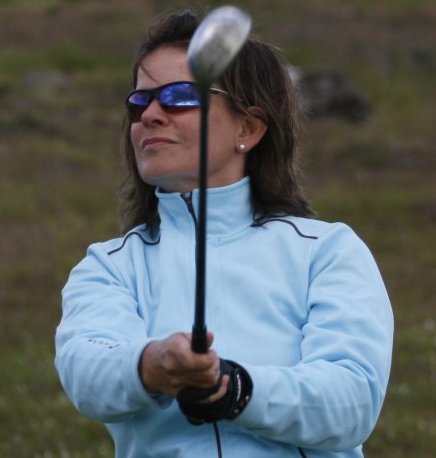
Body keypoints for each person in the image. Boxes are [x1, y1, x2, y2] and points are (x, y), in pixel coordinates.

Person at [54, 9, 393, 458]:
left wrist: (236, 390)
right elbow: (86, 374)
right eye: (139, 102)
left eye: (178, 96)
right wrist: (154, 364)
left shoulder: (327, 252)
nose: (150, 115)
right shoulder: (109, 266)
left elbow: (352, 402)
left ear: (248, 128)